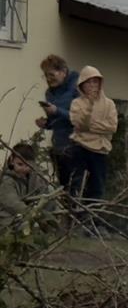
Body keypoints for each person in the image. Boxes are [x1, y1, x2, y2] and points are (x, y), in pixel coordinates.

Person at [66, 66, 117, 203]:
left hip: (100, 150)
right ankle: (76, 215)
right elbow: (80, 125)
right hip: (80, 147)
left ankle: (93, 219)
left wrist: (91, 126)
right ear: (82, 84)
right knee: (77, 185)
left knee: (97, 187)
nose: (92, 85)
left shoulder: (109, 104)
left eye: (95, 81)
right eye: (88, 82)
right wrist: (89, 108)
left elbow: (112, 127)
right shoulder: (77, 103)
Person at [31, 54, 78, 193]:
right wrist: (46, 123)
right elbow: (56, 121)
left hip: (76, 146)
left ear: (63, 72)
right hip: (59, 146)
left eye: (51, 74)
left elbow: (80, 119)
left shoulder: (77, 88)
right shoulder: (49, 94)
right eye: (46, 75)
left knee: (76, 188)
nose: (48, 79)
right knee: (64, 189)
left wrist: (57, 110)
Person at [0, 142, 47, 231]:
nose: (24, 168)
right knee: (29, 226)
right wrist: (32, 213)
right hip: (7, 218)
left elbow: (41, 191)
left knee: (49, 191)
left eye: (28, 165)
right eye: (20, 164)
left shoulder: (32, 177)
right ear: (11, 160)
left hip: (24, 214)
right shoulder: (7, 180)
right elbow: (12, 204)